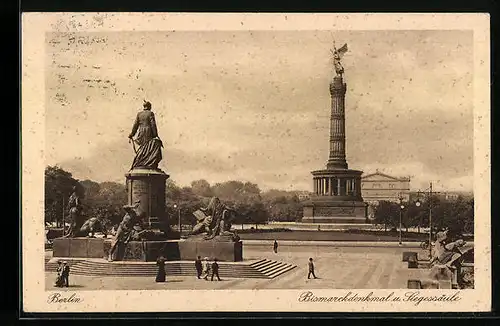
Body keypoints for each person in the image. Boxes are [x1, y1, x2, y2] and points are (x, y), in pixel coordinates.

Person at [128, 100, 163, 170]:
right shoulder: (150, 113)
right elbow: (153, 124)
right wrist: (155, 134)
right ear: (149, 107)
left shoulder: (139, 114)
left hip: (141, 132)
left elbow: (135, 125)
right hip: (148, 131)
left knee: (143, 147)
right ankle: (148, 162)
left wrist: (132, 134)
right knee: (149, 147)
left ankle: (142, 161)